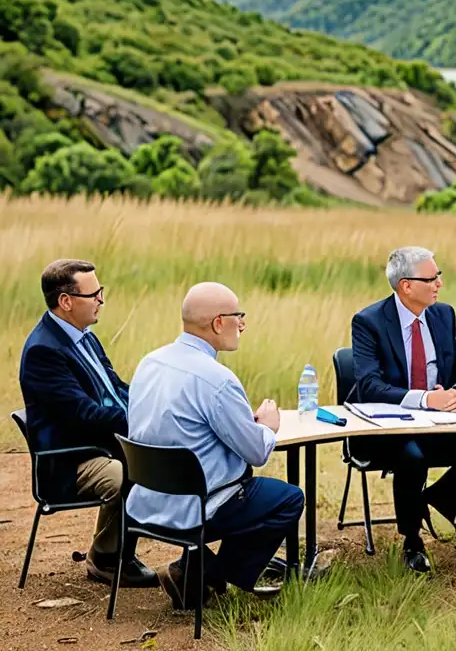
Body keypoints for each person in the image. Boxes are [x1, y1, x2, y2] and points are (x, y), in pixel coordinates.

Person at [126, 282, 304, 609]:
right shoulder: (217, 379)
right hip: (194, 506)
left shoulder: (150, 362)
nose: (244, 324)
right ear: (219, 323)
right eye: (239, 316)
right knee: (287, 498)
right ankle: (205, 572)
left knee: (244, 486)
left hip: (146, 501)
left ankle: (194, 570)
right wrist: (268, 426)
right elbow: (257, 453)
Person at [350, 246, 456, 573]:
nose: (439, 284)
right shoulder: (369, 322)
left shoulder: (444, 315)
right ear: (406, 286)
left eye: (439, 276)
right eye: (431, 278)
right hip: (389, 428)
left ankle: (432, 503)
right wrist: (426, 399)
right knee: (412, 456)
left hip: (439, 423)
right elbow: (369, 386)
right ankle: (412, 540)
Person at [18, 259, 157, 588]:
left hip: (97, 444)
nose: (101, 300)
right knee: (137, 468)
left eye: (101, 291)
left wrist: (152, 406)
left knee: (156, 454)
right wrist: (137, 422)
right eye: (93, 293)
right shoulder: (43, 351)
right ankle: (107, 558)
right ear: (66, 302)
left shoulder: (84, 335)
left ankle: (116, 551)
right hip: (70, 458)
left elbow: (116, 388)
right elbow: (83, 416)